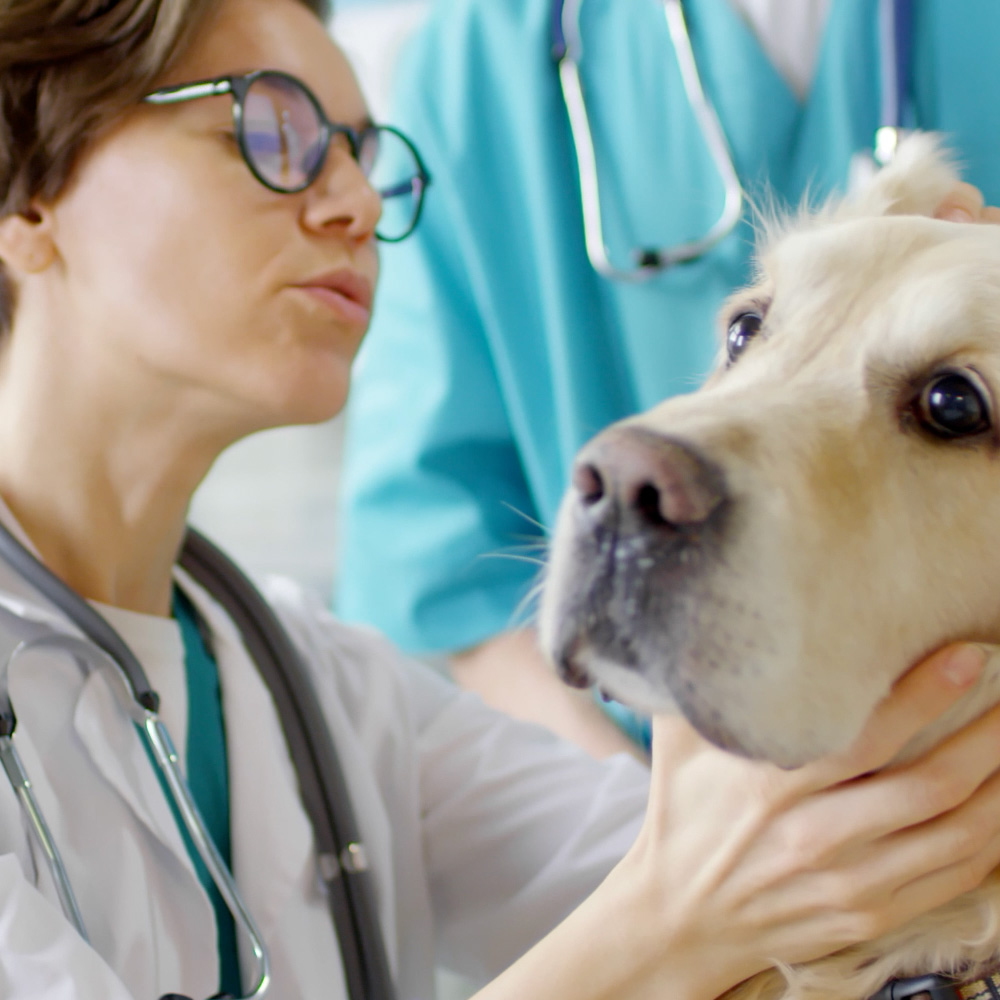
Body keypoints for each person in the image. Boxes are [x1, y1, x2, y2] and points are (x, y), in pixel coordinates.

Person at [3, 1, 1000, 997]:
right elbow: (685, 889)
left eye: (359, 151)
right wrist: (664, 925)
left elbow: (754, 869)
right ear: (27, 200)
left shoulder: (326, 693)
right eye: (270, 132)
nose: (353, 200)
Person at [335, 0, 1000, 759]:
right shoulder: (475, 59)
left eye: (952, 408)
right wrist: (664, 852)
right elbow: (448, 574)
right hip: (606, 788)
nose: (642, 474)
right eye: (747, 331)